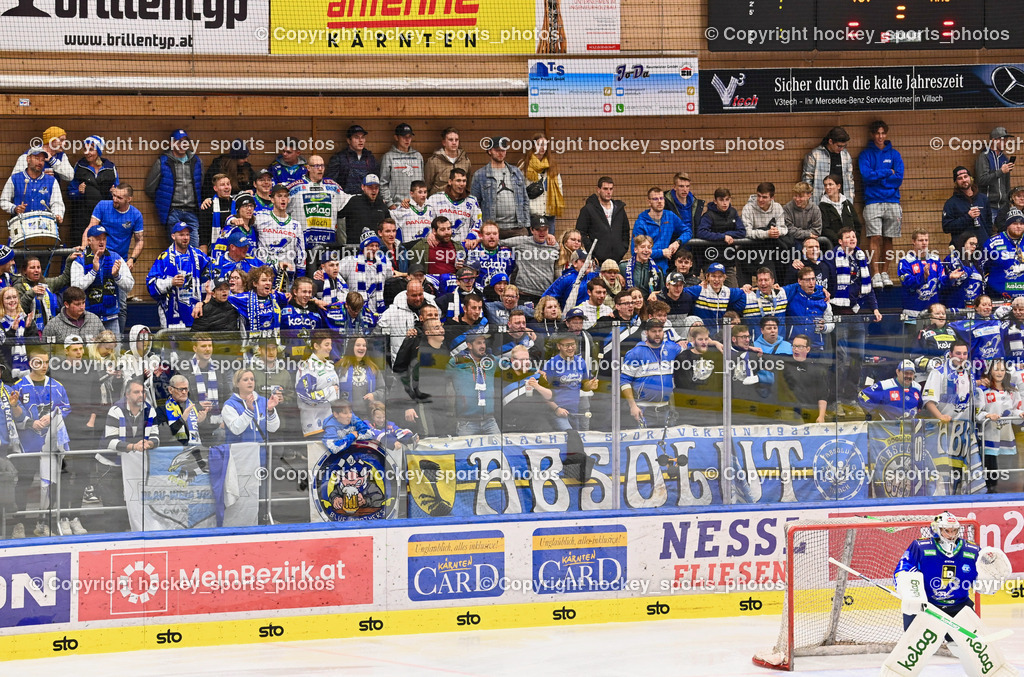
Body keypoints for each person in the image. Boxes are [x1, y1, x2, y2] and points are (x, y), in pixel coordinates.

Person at [888, 513, 1014, 677]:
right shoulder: (920, 547)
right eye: (947, 531)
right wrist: (912, 595)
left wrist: (991, 581)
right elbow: (902, 570)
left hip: (960, 608)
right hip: (927, 607)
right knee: (914, 651)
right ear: (936, 530)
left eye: (954, 531)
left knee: (970, 651)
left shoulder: (972, 550)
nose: (952, 535)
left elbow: (980, 583)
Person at [825, 226, 881, 403]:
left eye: (854, 236)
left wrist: (875, 309)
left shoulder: (861, 258)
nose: (852, 239)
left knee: (858, 357)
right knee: (840, 359)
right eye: (847, 237)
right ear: (840, 241)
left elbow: (868, 287)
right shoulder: (830, 259)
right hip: (838, 316)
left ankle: (850, 397)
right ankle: (835, 398)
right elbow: (824, 281)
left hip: (856, 314)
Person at [859, 120, 904, 288]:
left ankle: (885, 273)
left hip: (893, 201)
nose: (880, 136)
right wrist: (886, 173)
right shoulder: (866, 155)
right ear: (872, 135)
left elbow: (898, 177)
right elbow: (866, 176)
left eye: (883, 133)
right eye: (877, 133)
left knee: (888, 238)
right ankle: (875, 273)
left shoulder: (895, 154)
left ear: (886, 134)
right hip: (872, 201)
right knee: (875, 237)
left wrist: (878, 178)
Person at [147, 221, 215, 329]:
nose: (185, 238)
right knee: (173, 345)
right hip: (172, 314)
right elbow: (150, 284)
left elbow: (213, 268)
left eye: (187, 234)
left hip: (195, 313)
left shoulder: (198, 255)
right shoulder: (164, 258)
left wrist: (205, 283)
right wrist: (171, 282)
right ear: (173, 236)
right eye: (181, 234)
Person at [71, 224, 134, 337]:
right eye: (98, 239)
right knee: (90, 353)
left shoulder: (116, 258)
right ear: (89, 241)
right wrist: (93, 272)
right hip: (88, 319)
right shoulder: (79, 260)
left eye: (104, 239)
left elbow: (130, 285)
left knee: (114, 352)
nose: (101, 242)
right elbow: (75, 288)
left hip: (111, 318)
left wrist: (117, 276)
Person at [144, 128, 202, 246]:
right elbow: (150, 187)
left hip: (192, 211)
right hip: (173, 212)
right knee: (177, 248)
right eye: (178, 141)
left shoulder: (196, 161)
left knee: (194, 248)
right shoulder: (163, 161)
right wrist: (163, 200)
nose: (182, 145)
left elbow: (201, 184)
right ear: (172, 143)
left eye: (185, 142)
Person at [621, 319, 682, 429]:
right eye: (654, 331)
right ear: (646, 332)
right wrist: (632, 406)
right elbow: (624, 381)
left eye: (660, 330)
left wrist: (714, 343)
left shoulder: (671, 347)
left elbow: (695, 343)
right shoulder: (635, 353)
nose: (657, 334)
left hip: (666, 409)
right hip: (644, 410)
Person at [974, 359, 1022, 492]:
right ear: (989, 371)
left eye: (1002, 369)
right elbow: (978, 413)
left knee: (1007, 463)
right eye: (996, 369)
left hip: (1006, 434)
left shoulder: (1012, 390)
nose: (999, 372)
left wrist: (1020, 414)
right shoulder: (982, 390)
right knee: (990, 463)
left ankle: (1008, 490)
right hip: (989, 434)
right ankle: (990, 490)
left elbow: (1014, 410)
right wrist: (987, 415)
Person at [471, 135, 529, 238]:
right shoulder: (480, 175)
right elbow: (474, 204)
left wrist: (526, 224)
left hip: (517, 228)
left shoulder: (516, 172)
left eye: (503, 150)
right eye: (497, 150)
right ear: (489, 151)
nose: (501, 153)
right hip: (492, 229)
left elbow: (525, 199)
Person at [539, 333, 597, 431]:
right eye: (566, 345)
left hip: (575, 412)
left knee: (575, 440)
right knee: (571, 436)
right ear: (559, 346)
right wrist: (556, 409)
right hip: (558, 412)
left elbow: (583, 385)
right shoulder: (551, 364)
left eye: (572, 344)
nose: (570, 348)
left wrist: (590, 385)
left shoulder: (581, 362)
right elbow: (541, 391)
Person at [446, 330, 499, 436]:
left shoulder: (492, 360)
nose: (483, 346)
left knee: (497, 450)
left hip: (490, 421)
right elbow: (436, 377)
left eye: (484, 342)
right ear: (469, 345)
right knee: (465, 452)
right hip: (467, 422)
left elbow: (512, 367)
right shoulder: (456, 362)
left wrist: (535, 370)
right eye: (479, 343)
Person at [178, 333, 228, 444]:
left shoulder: (219, 368)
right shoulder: (184, 369)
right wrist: (197, 408)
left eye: (210, 346)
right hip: (194, 424)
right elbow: (179, 399)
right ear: (195, 348)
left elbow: (227, 396)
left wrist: (226, 420)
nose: (208, 349)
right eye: (203, 346)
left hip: (218, 423)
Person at [69, 135, 118, 245]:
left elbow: (117, 191)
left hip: (104, 217)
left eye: (91, 149)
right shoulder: (79, 166)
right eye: (85, 149)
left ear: (99, 150)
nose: (87, 152)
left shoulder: (110, 167)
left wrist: (114, 194)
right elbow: (70, 193)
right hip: (81, 217)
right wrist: (78, 192)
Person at [0, 145, 66, 225]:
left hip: (44, 226)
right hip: (20, 225)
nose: (40, 162)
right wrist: (14, 208)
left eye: (42, 160)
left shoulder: (51, 181)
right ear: (28, 159)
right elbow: (3, 201)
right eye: (37, 159)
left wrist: (57, 214)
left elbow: (57, 203)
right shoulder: (15, 178)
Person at [340, 229, 393, 321]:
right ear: (363, 247)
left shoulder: (384, 265)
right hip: (355, 313)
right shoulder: (350, 262)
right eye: (371, 245)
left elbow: (392, 274)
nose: (374, 248)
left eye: (377, 246)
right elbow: (334, 273)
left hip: (377, 314)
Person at [503, 217, 559, 304]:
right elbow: (498, 242)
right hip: (524, 295)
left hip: (544, 296)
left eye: (545, 230)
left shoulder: (554, 245)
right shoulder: (521, 241)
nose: (542, 233)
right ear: (532, 230)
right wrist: (478, 240)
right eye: (538, 229)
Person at [633, 187, 689, 275]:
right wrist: (662, 252)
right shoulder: (641, 223)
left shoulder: (670, 216)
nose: (659, 201)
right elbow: (635, 251)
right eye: (655, 199)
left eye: (661, 198)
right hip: (645, 270)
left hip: (665, 270)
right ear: (649, 202)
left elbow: (687, 232)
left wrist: (677, 242)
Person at [898, 229, 948, 325]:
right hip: (913, 314)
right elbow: (907, 283)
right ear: (913, 241)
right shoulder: (905, 262)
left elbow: (941, 283)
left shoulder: (935, 260)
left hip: (933, 315)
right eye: (921, 240)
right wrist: (923, 277)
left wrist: (950, 278)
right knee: (914, 340)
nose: (924, 243)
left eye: (926, 240)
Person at [697, 187, 745, 285]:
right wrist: (722, 237)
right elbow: (701, 232)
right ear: (715, 201)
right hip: (710, 260)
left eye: (727, 199)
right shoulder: (708, 216)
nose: (724, 203)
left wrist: (728, 235)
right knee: (711, 292)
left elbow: (742, 231)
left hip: (728, 261)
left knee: (734, 291)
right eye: (721, 200)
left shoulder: (733, 212)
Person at [575, 176, 629, 264]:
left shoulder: (619, 209)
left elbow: (625, 231)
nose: (608, 192)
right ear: (598, 189)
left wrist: (622, 249)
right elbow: (580, 232)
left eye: (611, 189)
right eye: (605, 189)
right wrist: (593, 251)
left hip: (617, 259)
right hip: (597, 261)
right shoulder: (588, 209)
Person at [740, 181, 787, 280]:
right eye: (759, 196)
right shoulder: (748, 208)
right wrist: (766, 233)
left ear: (772, 198)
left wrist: (776, 231)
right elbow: (746, 232)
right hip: (751, 249)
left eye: (764, 197)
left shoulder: (778, 207)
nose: (760, 199)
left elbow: (784, 229)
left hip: (773, 248)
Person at [258, 183, 305, 278]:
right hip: (266, 274)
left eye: (285, 196)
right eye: (279, 196)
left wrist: (300, 278)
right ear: (272, 199)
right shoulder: (260, 218)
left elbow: (301, 254)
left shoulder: (296, 225)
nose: (283, 199)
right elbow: (243, 219)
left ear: (288, 199)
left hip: (288, 275)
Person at [779, 334, 829, 423]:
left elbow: (822, 395)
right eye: (794, 346)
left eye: (800, 347)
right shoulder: (783, 363)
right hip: (788, 415)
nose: (796, 349)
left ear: (808, 349)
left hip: (810, 415)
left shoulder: (816, 369)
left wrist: (821, 416)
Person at [427, 167, 482, 246]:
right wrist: (430, 233)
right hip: (440, 246)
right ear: (450, 182)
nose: (462, 184)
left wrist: (471, 237)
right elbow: (427, 220)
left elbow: (478, 222)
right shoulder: (435, 199)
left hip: (464, 246)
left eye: (464, 181)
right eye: (458, 181)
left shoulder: (472, 201)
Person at [683, 262, 746, 331]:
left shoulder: (728, 291)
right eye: (713, 276)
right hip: (702, 335)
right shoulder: (699, 289)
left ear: (724, 277)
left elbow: (742, 294)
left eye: (720, 276)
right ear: (707, 277)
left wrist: (730, 309)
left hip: (721, 334)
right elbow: (682, 292)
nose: (716, 280)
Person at [519, 132, 563, 230]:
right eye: (540, 144)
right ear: (534, 146)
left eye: (545, 145)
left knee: (549, 241)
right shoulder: (524, 165)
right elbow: (519, 187)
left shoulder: (552, 165)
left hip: (549, 211)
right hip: (532, 211)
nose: (543, 147)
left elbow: (559, 186)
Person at [922, 340, 973, 422]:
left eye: (965, 353)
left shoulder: (970, 372)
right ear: (950, 354)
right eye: (958, 353)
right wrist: (941, 417)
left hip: (965, 427)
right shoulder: (938, 372)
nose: (962, 357)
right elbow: (928, 401)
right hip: (943, 426)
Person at [802, 126, 855, 204]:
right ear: (830, 141)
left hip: (842, 201)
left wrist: (850, 198)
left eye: (844, 146)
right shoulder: (815, 155)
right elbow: (807, 180)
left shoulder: (846, 155)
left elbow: (850, 179)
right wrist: (810, 201)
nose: (841, 149)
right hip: (820, 201)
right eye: (839, 146)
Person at [228, 266, 285, 335]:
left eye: (270, 280)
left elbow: (291, 297)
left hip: (273, 342)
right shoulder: (245, 298)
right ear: (255, 283)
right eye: (264, 280)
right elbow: (225, 297)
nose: (268, 283)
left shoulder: (276, 297)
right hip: (252, 343)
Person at [337, 336, 384, 421]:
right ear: (352, 347)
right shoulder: (340, 367)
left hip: (367, 415)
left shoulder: (373, 368)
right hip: (345, 416)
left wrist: (374, 395)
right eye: (358, 345)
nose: (362, 348)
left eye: (364, 345)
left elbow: (383, 389)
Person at [982, 208, 1024, 299]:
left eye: (1021, 224)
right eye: (1015, 223)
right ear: (1008, 225)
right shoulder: (993, 242)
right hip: (997, 297)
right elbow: (982, 267)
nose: (1019, 226)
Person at [942, 166, 991, 244]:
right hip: (962, 249)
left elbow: (989, 223)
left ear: (970, 178)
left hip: (983, 247)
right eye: (960, 178)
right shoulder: (951, 203)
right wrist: (967, 217)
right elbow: (947, 227)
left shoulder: (983, 199)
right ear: (955, 182)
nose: (964, 180)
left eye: (965, 176)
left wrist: (986, 239)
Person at [975, 126, 1015, 223]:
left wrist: (1008, 201)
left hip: (1002, 206)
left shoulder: (1004, 158)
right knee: (989, 234)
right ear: (994, 140)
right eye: (1002, 140)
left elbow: (1006, 183)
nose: (1005, 142)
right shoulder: (984, 156)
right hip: (988, 205)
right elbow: (981, 180)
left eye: (1006, 140)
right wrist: (1000, 171)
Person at [336, 172, 388, 246]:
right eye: (370, 187)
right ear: (363, 187)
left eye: (376, 187)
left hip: (376, 248)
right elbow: (338, 217)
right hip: (355, 248)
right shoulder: (353, 201)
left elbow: (389, 224)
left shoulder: (382, 204)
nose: (374, 190)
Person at [380, 123, 424, 209]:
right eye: (404, 137)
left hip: (417, 206)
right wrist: (390, 204)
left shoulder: (418, 156)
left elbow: (422, 182)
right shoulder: (389, 157)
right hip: (397, 206)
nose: (407, 140)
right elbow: (383, 184)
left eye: (409, 137)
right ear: (396, 137)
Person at [326, 124, 377, 194]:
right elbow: (330, 182)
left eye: (362, 137)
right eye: (356, 137)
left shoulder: (370, 158)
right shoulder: (339, 158)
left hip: (366, 199)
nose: (360, 140)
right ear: (348, 140)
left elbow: (376, 180)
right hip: (345, 199)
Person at [942, 233, 983, 316]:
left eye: (975, 244)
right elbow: (957, 279)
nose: (974, 247)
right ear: (963, 244)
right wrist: (968, 270)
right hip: (957, 310)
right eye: (971, 244)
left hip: (974, 312)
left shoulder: (975, 263)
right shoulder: (952, 258)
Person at [424, 127, 472, 196]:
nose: (454, 143)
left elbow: (468, 186)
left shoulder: (465, 161)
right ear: (444, 142)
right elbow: (426, 186)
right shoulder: (433, 161)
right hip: (439, 203)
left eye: (456, 140)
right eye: (451, 140)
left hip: (460, 202)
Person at [164, 374, 209, 446]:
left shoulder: (195, 406)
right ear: (170, 390)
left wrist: (200, 422)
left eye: (186, 389)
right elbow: (164, 435)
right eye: (180, 389)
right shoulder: (163, 409)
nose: (184, 392)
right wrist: (182, 420)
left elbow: (208, 435)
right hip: (175, 449)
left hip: (196, 450)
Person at [818, 174, 860, 250]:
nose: (827, 187)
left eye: (830, 184)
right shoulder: (822, 206)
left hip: (851, 245)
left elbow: (857, 224)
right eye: (825, 185)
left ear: (838, 186)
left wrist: (853, 239)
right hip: (833, 245)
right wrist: (840, 240)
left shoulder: (847, 203)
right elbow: (824, 229)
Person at [781, 182, 822, 254]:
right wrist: (808, 234)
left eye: (800, 196)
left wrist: (807, 237)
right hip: (793, 240)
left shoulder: (815, 209)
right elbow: (789, 229)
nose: (797, 199)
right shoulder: (787, 208)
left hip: (811, 240)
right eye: (795, 196)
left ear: (809, 195)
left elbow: (817, 231)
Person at [199, 172, 236, 250]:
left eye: (228, 184)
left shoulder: (237, 203)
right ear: (215, 188)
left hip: (236, 247)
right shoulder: (208, 206)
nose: (226, 187)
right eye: (222, 185)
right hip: (214, 249)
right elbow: (203, 236)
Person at [662, 172, 704, 238]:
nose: (685, 190)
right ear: (674, 187)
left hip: (694, 244)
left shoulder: (696, 204)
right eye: (681, 186)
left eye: (687, 186)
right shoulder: (665, 203)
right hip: (674, 243)